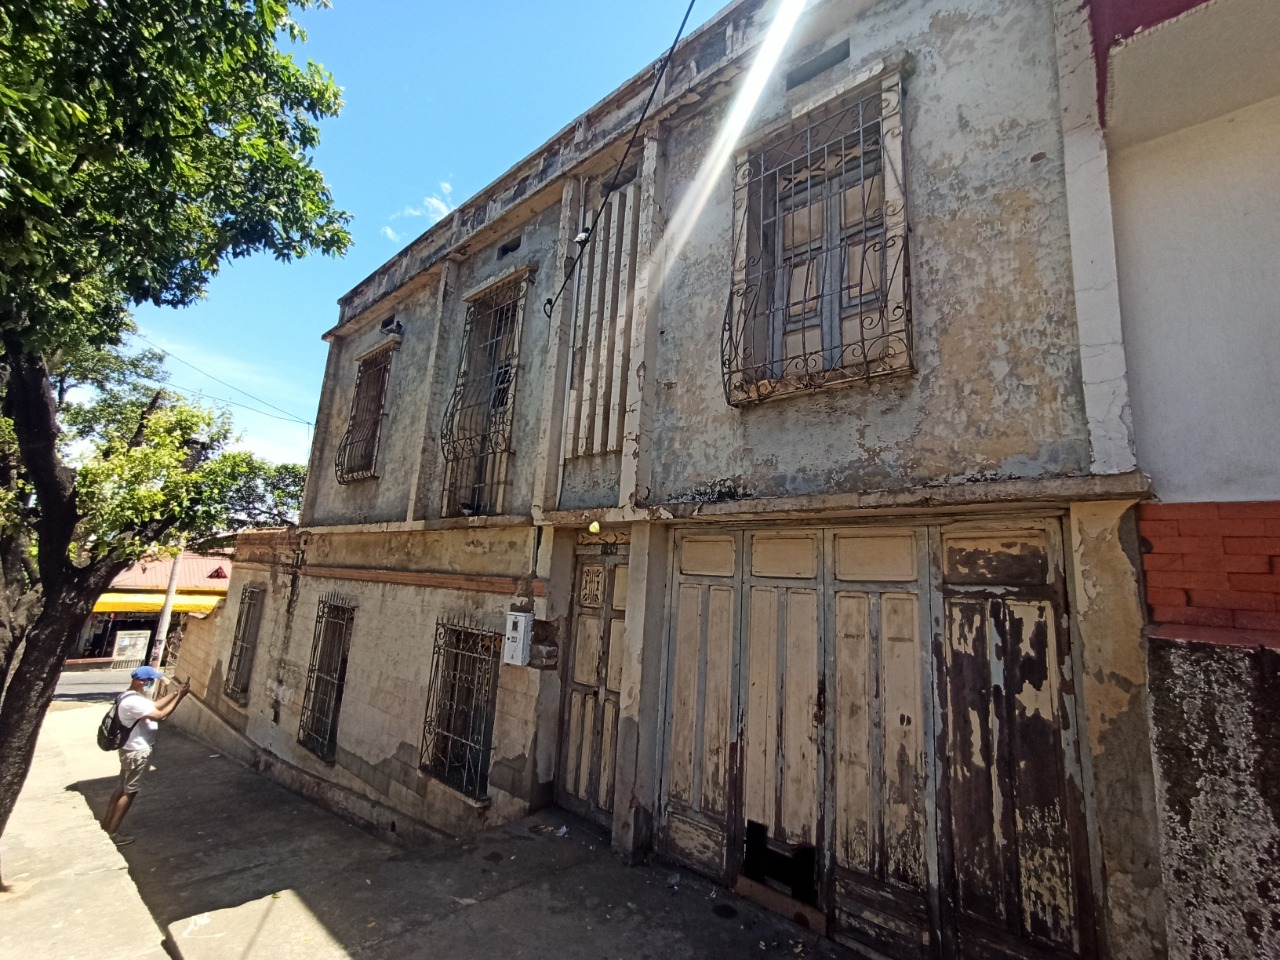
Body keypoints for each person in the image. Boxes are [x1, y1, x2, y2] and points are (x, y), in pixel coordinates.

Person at [100, 665, 191, 846]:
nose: (152, 683)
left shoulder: (129, 697)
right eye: (150, 680)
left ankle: (106, 825)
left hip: (130, 749)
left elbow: (155, 705)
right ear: (142, 681)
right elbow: (161, 715)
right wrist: (180, 697)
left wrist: (174, 693)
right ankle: (113, 832)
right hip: (137, 751)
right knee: (129, 791)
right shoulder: (133, 702)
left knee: (122, 787)